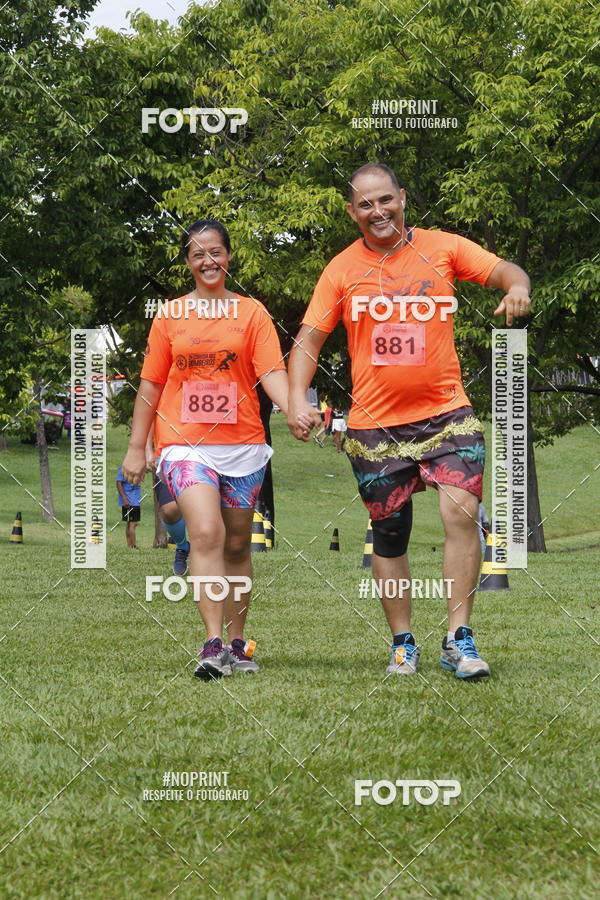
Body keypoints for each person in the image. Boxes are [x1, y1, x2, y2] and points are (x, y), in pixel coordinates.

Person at [288, 163, 531, 679]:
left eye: (385, 200)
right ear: (352, 211)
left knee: (461, 514)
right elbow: (309, 339)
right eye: (365, 204)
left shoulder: (442, 247)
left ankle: (458, 638)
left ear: (402, 198)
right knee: (389, 532)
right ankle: (403, 642)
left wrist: (517, 289)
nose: (378, 212)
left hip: (447, 413)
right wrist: (294, 398)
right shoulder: (340, 270)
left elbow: (507, 270)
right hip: (376, 426)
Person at [121, 218, 310, 680]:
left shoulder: (252, 314)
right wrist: (135, 446)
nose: (208, 261)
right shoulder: (169, 315)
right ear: (187, 262)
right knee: (206, 533)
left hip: (242, 443)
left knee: (238, 543)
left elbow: (271, 374)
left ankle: (238, 642)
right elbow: (151, 383)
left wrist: (294, 408)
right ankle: (211, 644)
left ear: (228, 256)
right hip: (184, 442)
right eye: (197, 254)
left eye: (215, 252)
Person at [145, 424, 190, 576]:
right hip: (168, 454)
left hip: (209, 450)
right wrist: (145, 449)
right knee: (169, 509)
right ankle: (182, 547)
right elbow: (148, 410)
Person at [116, 465, 141, 548]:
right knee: (133, 523)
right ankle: (133, 545)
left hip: (134, 499)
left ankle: (129, 545)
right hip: (130, 501)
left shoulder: (137, 467)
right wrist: (124, 498)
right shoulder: (123, 468)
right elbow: (118, 483)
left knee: (129, 523)